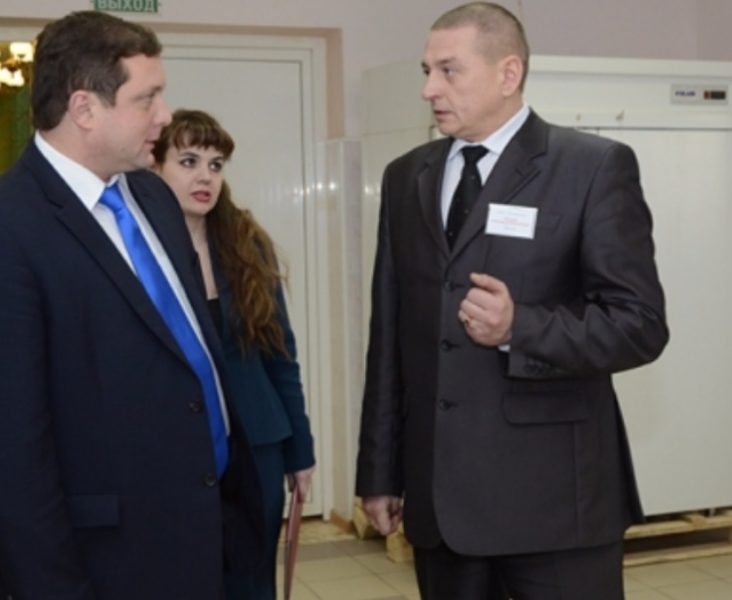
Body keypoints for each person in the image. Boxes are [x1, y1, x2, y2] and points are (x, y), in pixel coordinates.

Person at [355, 2, 669, 599]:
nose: (428, 89)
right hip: (441, 505)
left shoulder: (591, 167)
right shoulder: (406, 177)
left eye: (448, 70)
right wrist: (380, 471)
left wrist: (519, 328)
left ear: (508, 73)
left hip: (554, 507)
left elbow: (639, 323)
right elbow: (389, 336)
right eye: (426, 71)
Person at [0, 12, 266, 600]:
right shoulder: (12, 226)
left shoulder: (152, 196)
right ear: (84, 109)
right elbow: (15, 450)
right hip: (110, 558)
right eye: (147, 98)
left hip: (210, 528)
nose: (164, 115)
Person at [152, 109, 316, 600]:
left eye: (216, 165)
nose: (205, 176)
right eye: (188, 161)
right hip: (175, 449)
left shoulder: (246, 245)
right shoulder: (137, 250)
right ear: (155, 166)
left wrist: (301, 451)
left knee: (251, 581)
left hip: (257, 443)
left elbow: (280, 354)